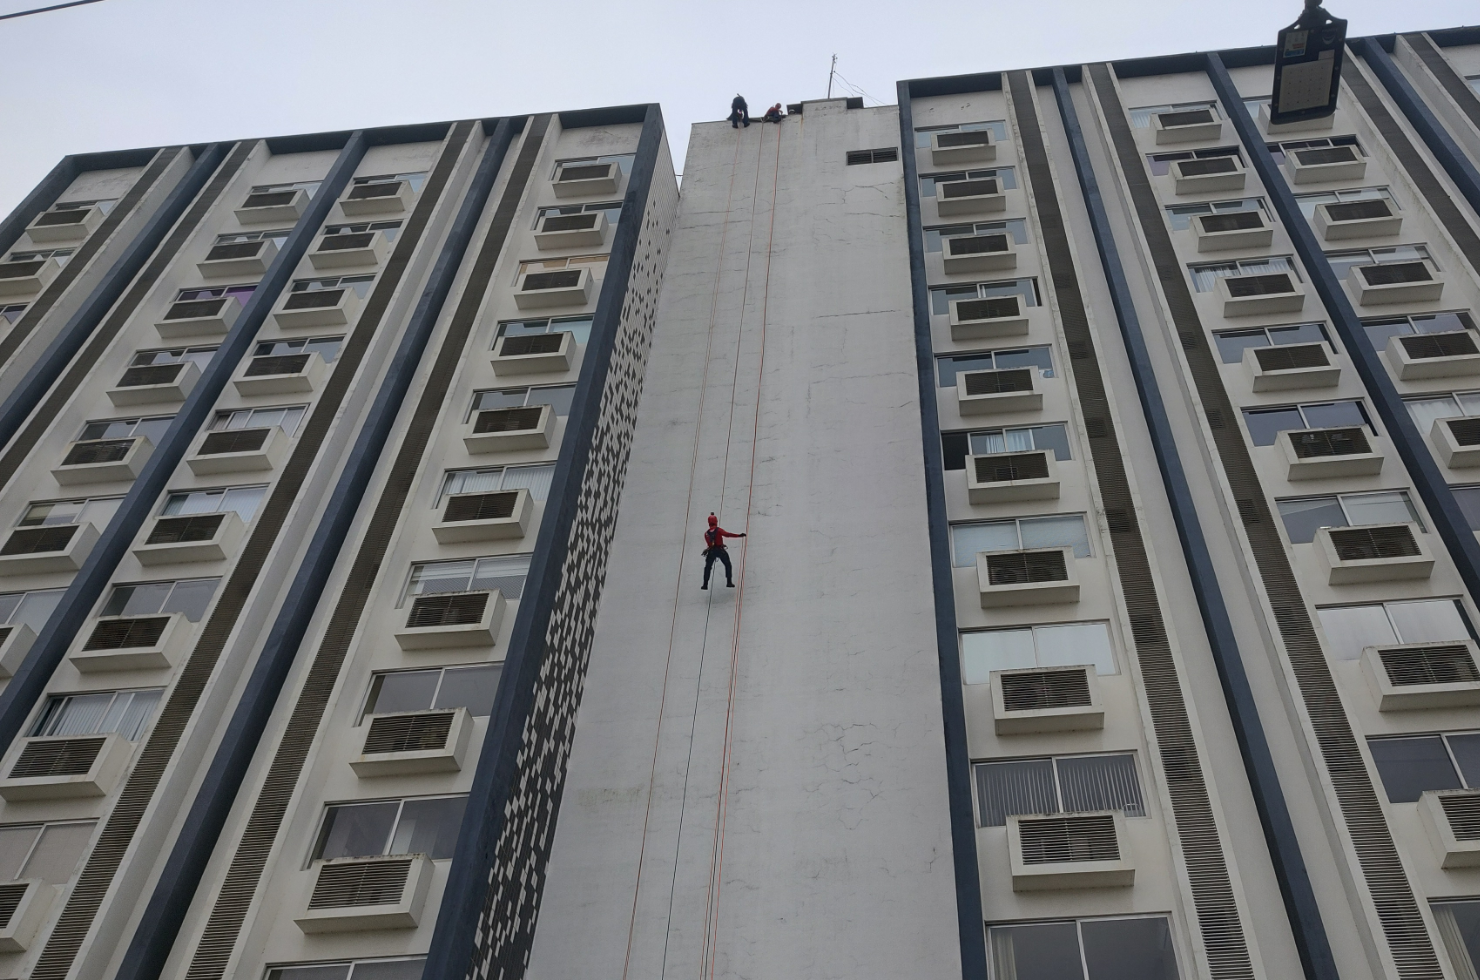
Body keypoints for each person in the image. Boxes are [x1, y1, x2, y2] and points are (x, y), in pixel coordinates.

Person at [701, 513, 745, 589]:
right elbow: (727, 534)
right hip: (720, 550)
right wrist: (738, 535)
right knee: (727, 564)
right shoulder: (718, 530)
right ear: (716, 521)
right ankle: (729, 582)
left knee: (708, 567)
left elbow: (709, 543)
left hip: (711, 551)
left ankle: (705, 584)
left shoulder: (706, 534)